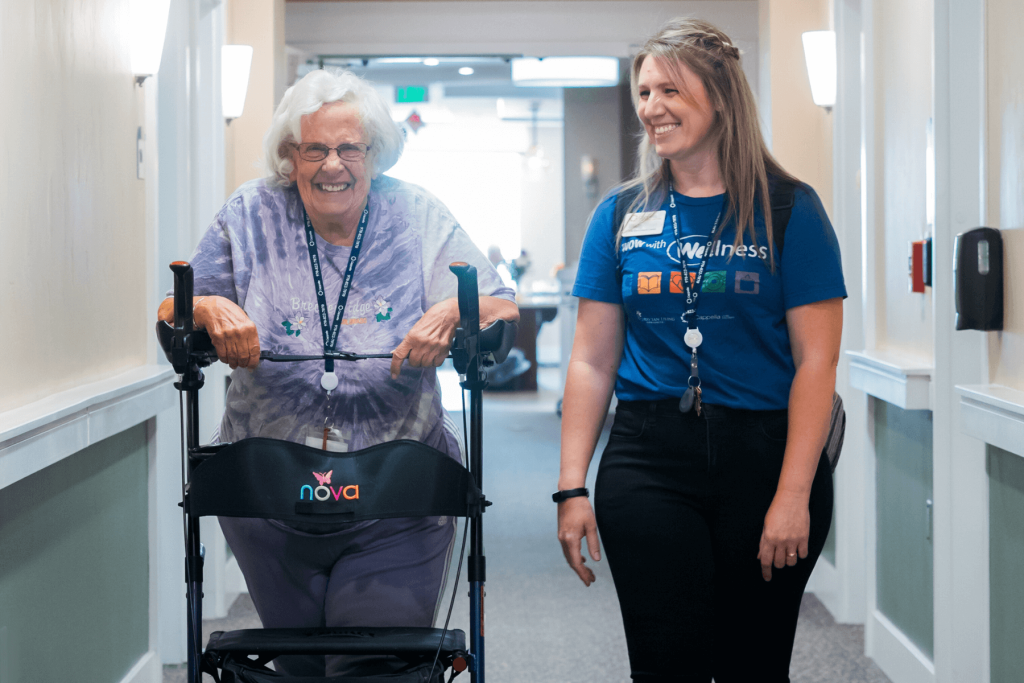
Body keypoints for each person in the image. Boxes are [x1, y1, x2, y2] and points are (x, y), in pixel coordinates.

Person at [156, 68, 518, 677]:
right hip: (268, 491)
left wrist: (452, 310)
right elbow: (174, 309)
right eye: (314, 149)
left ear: (374, 153)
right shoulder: (251, 212)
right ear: (289, 155)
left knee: (371, 668)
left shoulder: (414, 214)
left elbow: (501, 306)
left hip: (396, 491)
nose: (332, 165)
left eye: (350, 148)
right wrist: (211, 306)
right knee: (299, 668)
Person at [555, 18, 845, 683]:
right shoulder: (620, 215)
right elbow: (591, 361)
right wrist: (571, 486)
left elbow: (817, 363)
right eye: (644, 92)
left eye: (670, 91)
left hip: (765, 457)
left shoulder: (788, 209)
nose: (651, 108)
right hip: (648, 457)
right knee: (665, 667)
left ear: (720, 97)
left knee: (754, 666)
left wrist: (793, 494)